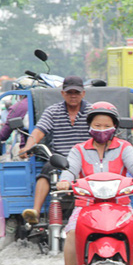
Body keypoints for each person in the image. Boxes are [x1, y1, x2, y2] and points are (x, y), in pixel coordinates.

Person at [56, 102, 133, 265]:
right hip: (85, 205)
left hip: (120, 204)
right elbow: (69, 170)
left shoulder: (124, 147)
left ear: (115, 126)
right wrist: (64, 181)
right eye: (97, 126)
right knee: (71, 233)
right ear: (90, 126)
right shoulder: (78, 149)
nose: (102, 130)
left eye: (107, 126)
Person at [20, 76, 92, 224]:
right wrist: (27, 147)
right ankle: (36, 212)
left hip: (87, 158)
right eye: (69, 92)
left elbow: (102, 131)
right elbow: (39, 131)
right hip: (60, 160)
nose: (73, 95)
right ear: (63, 93)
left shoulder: (92, 111)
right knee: (46, 171)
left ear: (83, 94)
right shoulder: (53, 111)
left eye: (76, 92)